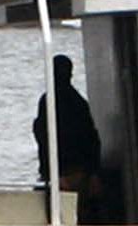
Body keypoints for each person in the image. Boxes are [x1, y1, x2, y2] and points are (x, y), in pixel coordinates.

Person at [31, 55, 107, 215]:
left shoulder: (48, 101)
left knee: (60, 215)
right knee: (78, 213)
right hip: (79, 170)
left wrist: (50, 172)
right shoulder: (79, 102)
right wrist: (94, 172)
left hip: (63, 170)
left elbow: (44, 138)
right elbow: (92, 138)